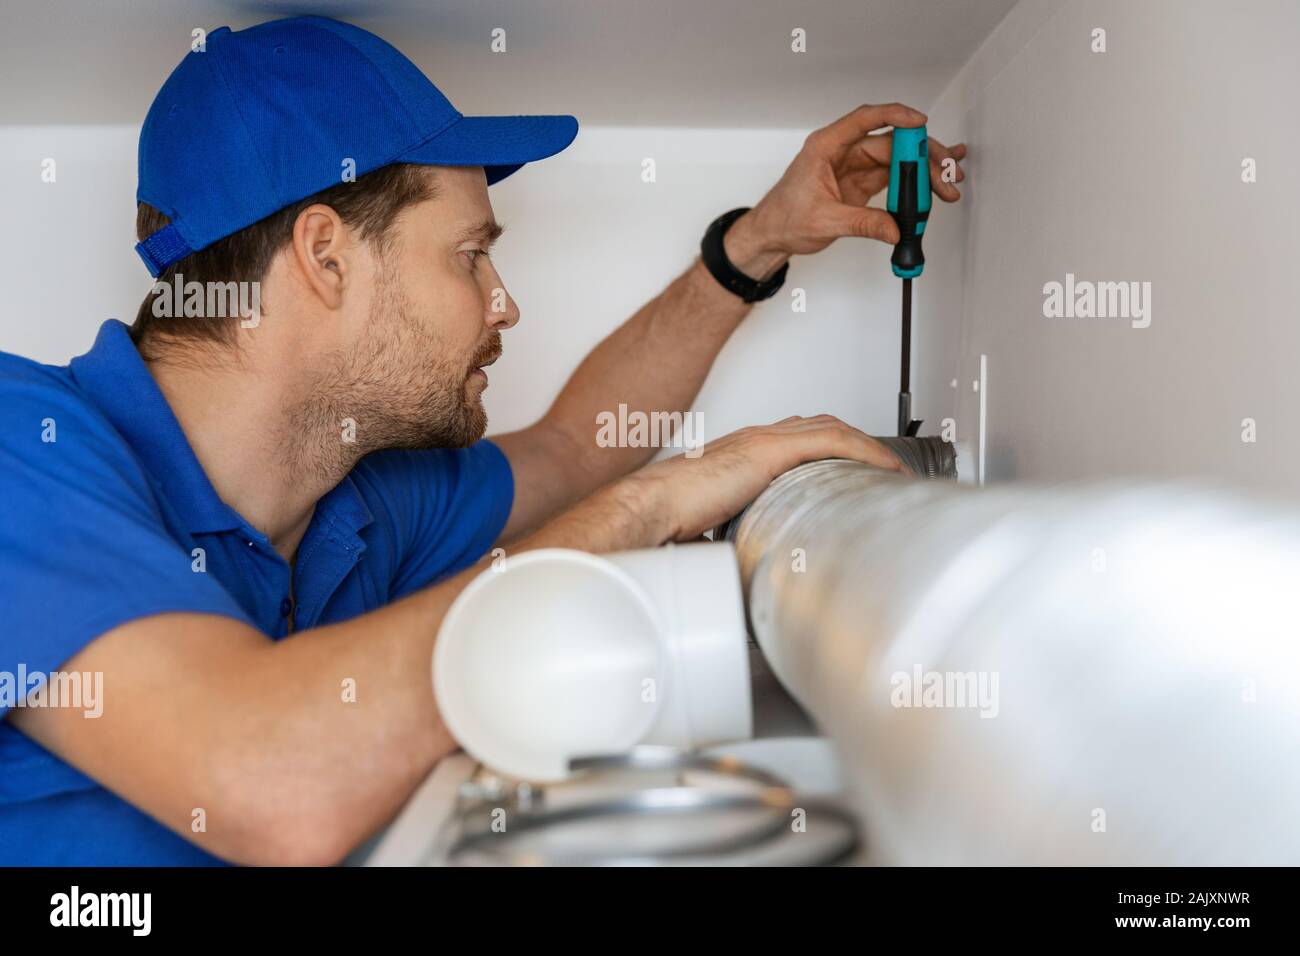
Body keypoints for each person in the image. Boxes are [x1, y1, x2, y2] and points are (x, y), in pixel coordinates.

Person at [0, 15, 966, 865]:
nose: (505, 303)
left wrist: (755, 243)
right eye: (473, 256)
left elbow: (577, 446)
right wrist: (648, 505)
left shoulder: (357, 498)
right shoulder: (24, 448)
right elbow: (271, 786)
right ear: (325, 255)